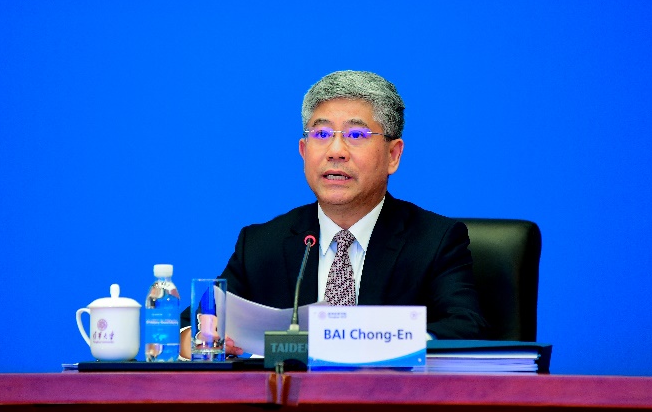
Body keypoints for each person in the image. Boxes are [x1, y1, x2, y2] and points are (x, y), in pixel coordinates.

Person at [180, 70, 485, 358]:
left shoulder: (434, 241)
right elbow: (195, 322)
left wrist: (387, 342)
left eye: (356, 134)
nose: (335, 151)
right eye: (322, 133)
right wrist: (196, 339)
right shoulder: (262, 244)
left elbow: (466, 327)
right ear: (303, 151)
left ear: (393, 155)